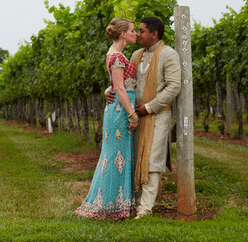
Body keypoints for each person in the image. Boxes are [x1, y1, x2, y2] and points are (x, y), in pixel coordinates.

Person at [105, 16, 181, 219]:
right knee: (136, 158)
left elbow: (174, 86)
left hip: (156, 115)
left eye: (142, 31)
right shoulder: (137, 54)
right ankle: (135, 203)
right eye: (136, 30)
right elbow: (124, 79)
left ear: (154, 34)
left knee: (152, 161)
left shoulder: (168, 55)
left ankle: (145, 209)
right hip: (135, 115)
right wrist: (108, 90)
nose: (138, 34)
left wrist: (149, 107)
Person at [75, 17, 139, 220]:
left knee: (114, 157)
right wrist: (132, 113)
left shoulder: (112, 54)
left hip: (117, 108)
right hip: (121, 111)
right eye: (132, 30)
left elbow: (113, 83)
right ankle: (110, 205)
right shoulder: (118, 56)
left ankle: (116, 204)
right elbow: (119, 87)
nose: (135, 33)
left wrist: (107, 89)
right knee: (115, 158)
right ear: (123, 34)